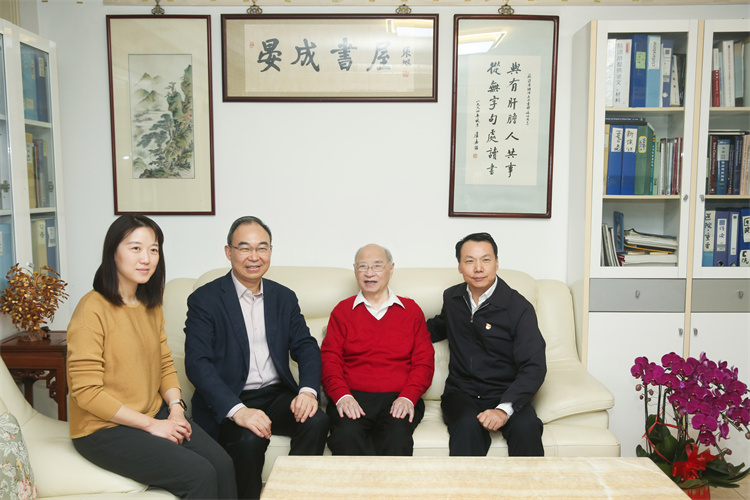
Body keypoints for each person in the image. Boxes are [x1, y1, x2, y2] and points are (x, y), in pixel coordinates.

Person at [66, 214, 236, 500]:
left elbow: (164, 364)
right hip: (103, 429)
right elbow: (86, 392)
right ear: (112, 253)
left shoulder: (150, 305)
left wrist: (176, 409)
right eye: (135, 248)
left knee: (223, 464)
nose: (146, 258)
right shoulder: (91, 310)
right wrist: (152, 425)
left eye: (153, 249)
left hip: (154, 413)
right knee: (199, 475)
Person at [184, 216, 328, 500]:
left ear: (270, 252)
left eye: (262, 248)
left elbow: (306, 346)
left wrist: (308, 391)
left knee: (316, 421)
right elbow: (197, 363)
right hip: (230, 397)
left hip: (276, 395)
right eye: (245, 248)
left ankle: (294, 495)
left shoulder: (284, 297)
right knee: (249, 439)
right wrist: (238, 410)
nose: (254, 256)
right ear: (229, 252)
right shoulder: (205, 299)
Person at [427, 232, 547, 457]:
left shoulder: (518, 307)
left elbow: (534, 366)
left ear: (497, 263)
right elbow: (436, 327)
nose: (478, 268)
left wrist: (503, 409)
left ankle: (529, 483)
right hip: (461, 393)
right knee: (466, 426)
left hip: (505, 392)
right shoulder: (452, 299)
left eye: (485, 260)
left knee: (527, 427)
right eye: (469, 261)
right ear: (459, 266)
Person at [321, 244, 434, 456]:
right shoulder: (342, 311)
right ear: (355, 270)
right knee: (346, 436)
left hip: (399, 397)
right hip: (352, 396)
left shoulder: (411, 310)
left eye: (377, 266)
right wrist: (342, 396)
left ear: (391, 269)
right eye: (362, 266)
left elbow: (424, 361)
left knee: (396, 437)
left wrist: (408, 397)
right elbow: (330, 359)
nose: (369, 273)